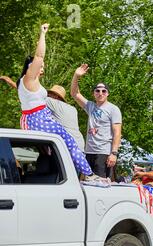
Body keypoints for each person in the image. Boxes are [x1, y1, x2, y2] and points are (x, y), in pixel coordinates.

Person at [15, 24, 100, 181]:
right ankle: (88, 175)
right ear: (31, 67)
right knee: (69, 143)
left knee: (59, 147)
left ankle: (81, 175)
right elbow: (39, 56)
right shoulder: (29, 78)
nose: (42, 68)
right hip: (37, 119)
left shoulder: (26, 83)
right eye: (40, 67)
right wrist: (42, 34)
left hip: (36, 118)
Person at [71, 64, 122, 180]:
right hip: (89, 152)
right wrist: (76, 76)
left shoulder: (113, 109)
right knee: (86, 183)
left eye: (104, 91)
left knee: (102, 184)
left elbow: (117, 133)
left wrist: (114, 153)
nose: (100, 93)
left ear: (107, 93)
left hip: (103, 153)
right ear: (94, 93)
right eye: (97, 91)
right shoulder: (90, 106)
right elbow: (75, 94)